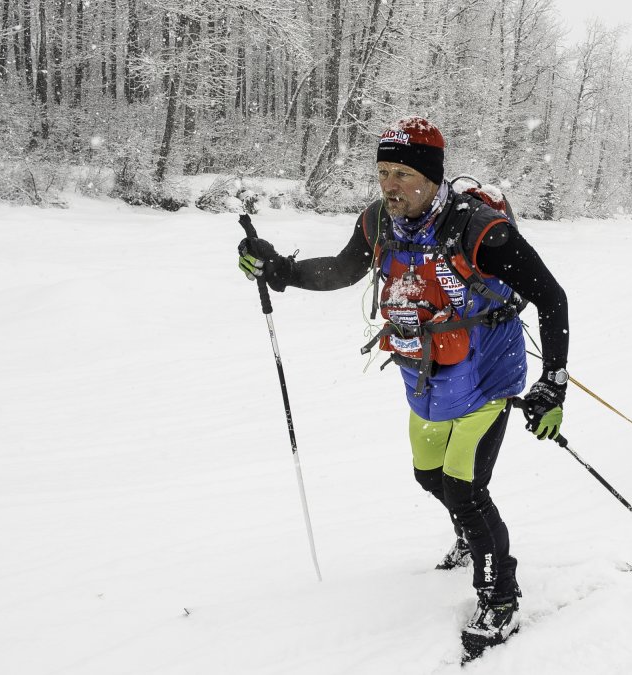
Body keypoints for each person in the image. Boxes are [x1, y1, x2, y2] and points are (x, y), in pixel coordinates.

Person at [236, 116, 569, 657]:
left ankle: (500, 595)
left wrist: (553, 387)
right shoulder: (378, 223)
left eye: (403, 173)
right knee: (427, 473)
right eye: (383, 171)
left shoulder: (481, 230)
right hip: (428, 375)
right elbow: (343, 270)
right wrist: (280, 269)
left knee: (465, 487)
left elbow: (553, 299)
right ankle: (469, 532)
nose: (389, 185)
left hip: (488, 375)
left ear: (432, 178)